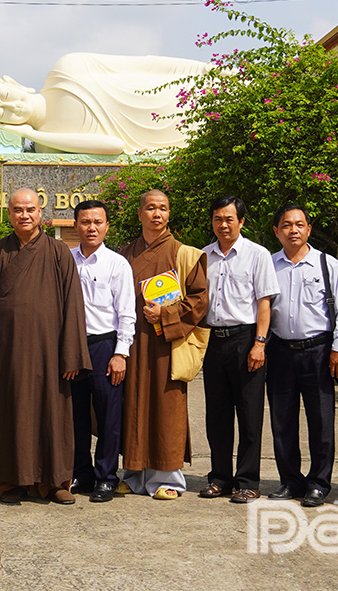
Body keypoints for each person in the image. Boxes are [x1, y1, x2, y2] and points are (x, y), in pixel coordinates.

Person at [0, 188, 90, 504]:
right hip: (10, 349)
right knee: (11, 411)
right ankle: (9, 481)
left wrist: (71, 354)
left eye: (30, 209)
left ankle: (54, 481)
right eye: (18, 210)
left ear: (40, 213)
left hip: (50, 352)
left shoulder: (59, 252)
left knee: (52, 413)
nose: (24, 215)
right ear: (10, 214)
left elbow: (73, 304)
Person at [119, 189, 208, 500]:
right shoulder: (126, 254)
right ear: (140, 214)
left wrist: (165, 314)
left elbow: (199, 301)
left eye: (163, 208)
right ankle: (132, 475)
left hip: (166, 342)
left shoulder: (184, 254)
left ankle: (167, 477)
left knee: (166, 406)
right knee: (133, 405)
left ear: (169, 214)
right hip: (132, 342)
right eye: (151, 208)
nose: (157, 214)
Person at [267, 204, 338, 509]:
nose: (294, 230)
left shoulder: (326, 264)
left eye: (299, 225)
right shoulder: (269, 265)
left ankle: (318, 483)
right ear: (277, 231)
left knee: (321, 421)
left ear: (309, 230)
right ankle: (290, 480)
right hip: (279, 351)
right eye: (286, 225)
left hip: (318, 351)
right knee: (282, 421)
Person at [0, 53, 212, 154]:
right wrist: (30, 133)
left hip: (180, 91)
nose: (13, 107)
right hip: (168, 136)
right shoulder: (47, 146)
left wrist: (203, 70)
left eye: (5, 96)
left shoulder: (66, 68)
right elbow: (115, 146)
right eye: (1, 113)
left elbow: (143, 65)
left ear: (13, 83)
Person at [198, 196, 277, 504]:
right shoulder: (204, 256)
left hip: (246, 340)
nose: (224, 224)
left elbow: (264, 302)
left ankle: (248, 481)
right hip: (214, 341)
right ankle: (219, 478)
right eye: (218, 218)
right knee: (216, 415)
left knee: (249, 413)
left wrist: (260, 343)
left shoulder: (257, 255)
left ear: (241, 221)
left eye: (230, 218)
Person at [68, 200, 135, 504]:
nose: (91, 227)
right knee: (74, 413)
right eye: (85, 222)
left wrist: (120, 353)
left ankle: (106, 477)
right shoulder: (66, 261)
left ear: (107, 226)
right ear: (75, 226)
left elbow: (126, 313)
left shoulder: (117, 264)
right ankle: (81, 472)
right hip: (72, 346)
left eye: (97, 222)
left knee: (109, 414)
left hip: (104, 346)